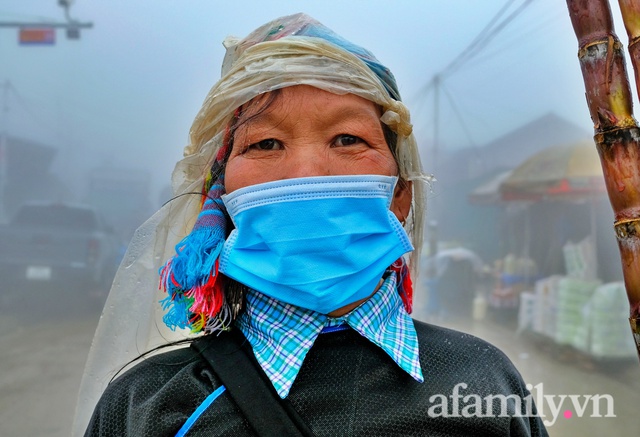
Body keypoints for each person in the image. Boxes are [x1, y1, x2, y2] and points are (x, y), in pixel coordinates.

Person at [77, 13, 548, 436]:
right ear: (217, 201)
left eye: (347, 138)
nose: (306, 173)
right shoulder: (147, 406)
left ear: (401, 195)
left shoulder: (483, 382)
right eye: (264, 144)